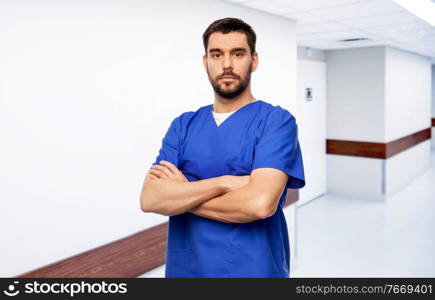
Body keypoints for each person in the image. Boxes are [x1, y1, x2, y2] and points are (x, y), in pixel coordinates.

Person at [139, 17, 305, 278]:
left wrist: (182, 195)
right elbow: (151, 199)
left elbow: (259, 204)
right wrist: (225, 183)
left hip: (253, 271)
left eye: (237, 53)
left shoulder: (276, 122)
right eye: (216, 54)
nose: (226, 64)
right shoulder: (183, 125)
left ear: (254, 60)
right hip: (187, 271)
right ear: (206, 62)